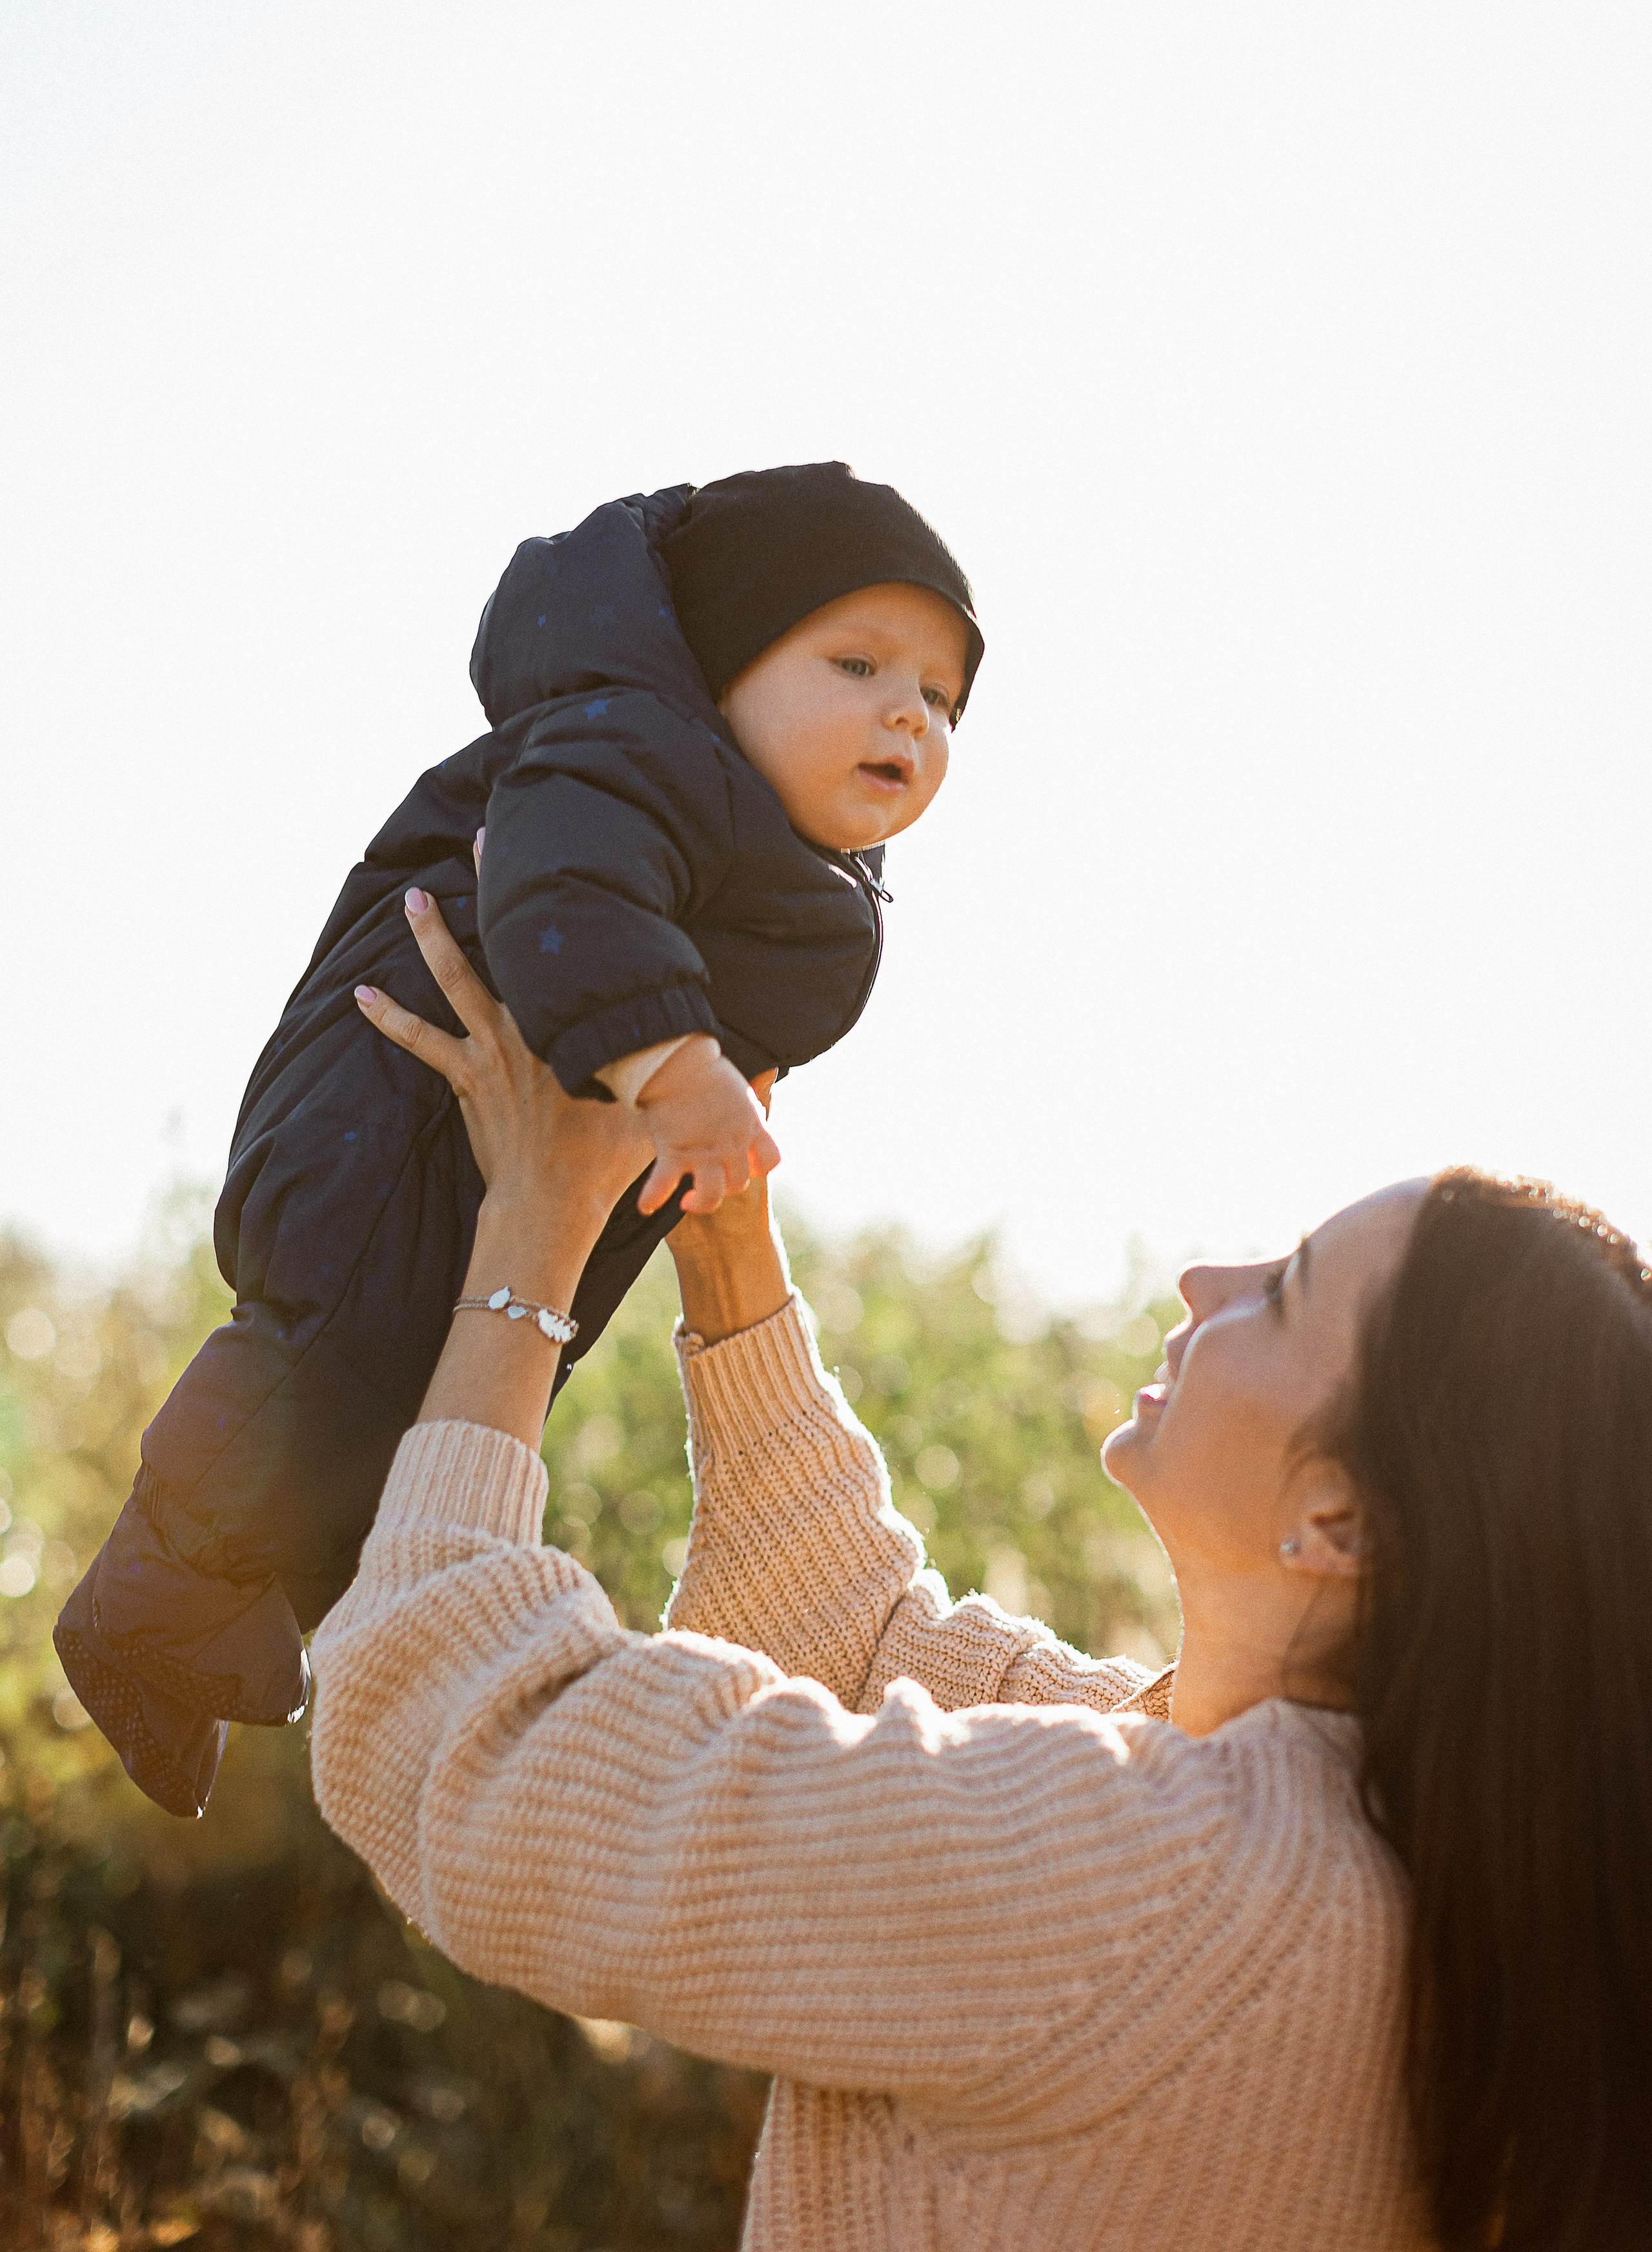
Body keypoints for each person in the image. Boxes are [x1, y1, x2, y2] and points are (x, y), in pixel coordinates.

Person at [311, 897, 1652, 2252]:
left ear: (1342, 1522)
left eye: (1286, 1288)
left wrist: (532, 1235)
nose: (1203, 1277)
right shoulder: (1396, 1859)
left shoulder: (1150, 1874)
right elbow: (843, 1639)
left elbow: (469, 1746)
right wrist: (724, 1237)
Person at [57, 462, 982, 1820]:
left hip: (511, 1158)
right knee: (331, 1349)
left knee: (433, 1416)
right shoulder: (628, 751)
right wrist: (670, 1055)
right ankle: (152, 1595)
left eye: (942, 699)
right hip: (389, 1110)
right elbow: (566, 880)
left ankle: (232, 1615)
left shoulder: (777, 859)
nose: (906, 710)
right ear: (715, 670)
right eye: (855, 662)